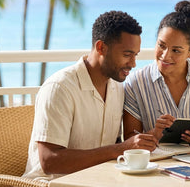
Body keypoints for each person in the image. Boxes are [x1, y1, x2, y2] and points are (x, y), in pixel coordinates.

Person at [23, 11, 158, 182]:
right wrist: (119, 149)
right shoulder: (59, 88)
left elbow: (114, 145)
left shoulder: (117, 88)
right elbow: (49, 161)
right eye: (126, 55)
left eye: (135, 55)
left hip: (98, 181)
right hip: (51, 183)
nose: (132, 64)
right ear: (101, 47)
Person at [123, 0, 190, 147]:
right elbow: (129, 138)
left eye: (176, 50)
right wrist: (155, 133)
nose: (165, 56)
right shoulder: (135, 82)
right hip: (159, 164)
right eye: (161, 45)